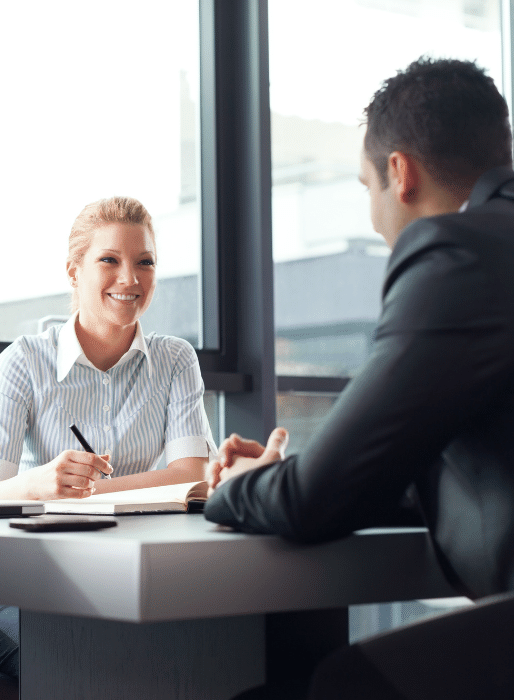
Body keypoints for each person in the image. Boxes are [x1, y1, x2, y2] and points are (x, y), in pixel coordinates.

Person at [205, 57, 514, 700]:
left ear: (399, 173)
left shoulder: (455, 251)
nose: (374, 220)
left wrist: (236, 487)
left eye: (365, 187)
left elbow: (317, 500)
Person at [0, 195, 219, 680]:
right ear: (74, 272)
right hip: (36, 580)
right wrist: (43, 483)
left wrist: (84, 494)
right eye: (109, 261)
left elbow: (192, 479)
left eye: (145, 262)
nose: (130, 279)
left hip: (133, 576)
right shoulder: (22, 364)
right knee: (93, 662)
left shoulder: (175, 359)